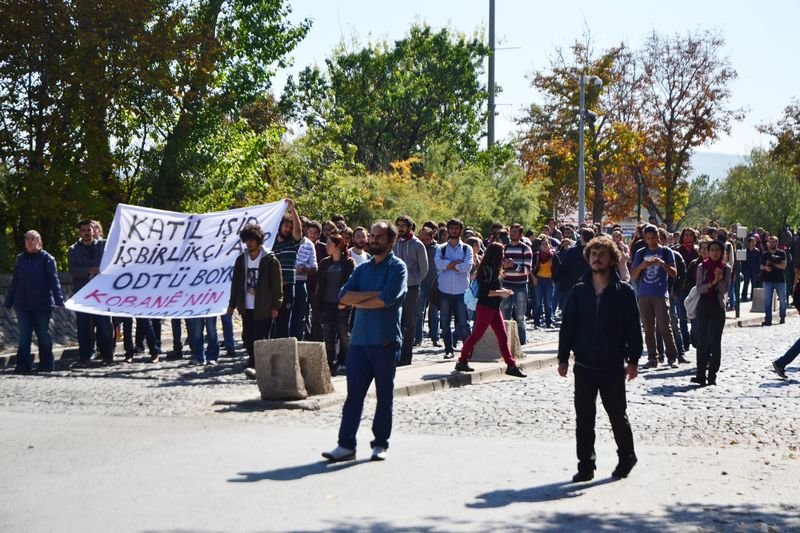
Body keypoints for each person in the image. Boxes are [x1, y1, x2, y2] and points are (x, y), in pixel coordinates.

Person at [558, 235, 642, 482]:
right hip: (583, 365)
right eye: (593, 254)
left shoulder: (624, 292)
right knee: (584, 419)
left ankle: (627, 457)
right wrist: (563, 357)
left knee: (617, 415)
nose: (597, 258)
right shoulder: (579, 291)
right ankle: (586, 465)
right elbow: (568, 326)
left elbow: (633, 329)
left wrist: (633, 360)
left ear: (612, 259)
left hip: (612, 365)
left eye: (602, 254)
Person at [322, 221, 407, 463]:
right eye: (372, 235)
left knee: (384, 396)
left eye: (380, 236)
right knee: (353, 397)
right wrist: (373, 295)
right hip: (359, 342)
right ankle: (345, 445)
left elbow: (386, 300)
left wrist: (358, 300)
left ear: (391, 241)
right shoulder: (362, 269)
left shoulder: (398, 268)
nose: (374, 240)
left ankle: (380, 443)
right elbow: (342, 296)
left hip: (385, 341)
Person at [454, 243, 526, 377]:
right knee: (476, 335)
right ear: (496, 254)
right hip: (485, 307)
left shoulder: (494, 268)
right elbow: (486, 292)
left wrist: (503, 291)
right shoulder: (486, 269)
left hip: (493, 307)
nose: (503, 255)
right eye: (502, 253)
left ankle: (511, 365)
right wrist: (502, 292)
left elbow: (494, 288)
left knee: (502, 336)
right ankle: (462, 360)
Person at [227, 224, 283, 379]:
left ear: (258, 240)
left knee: (260, 337)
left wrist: (276, 305)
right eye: (246, 240)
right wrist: (232, 304)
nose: (249, 243)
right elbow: (236, 283)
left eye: (252, 240)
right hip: (246, 306)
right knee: (247, 337)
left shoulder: (270, 260)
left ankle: (256, 365)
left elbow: (277, 285)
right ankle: (253, 361)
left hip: (264, 306)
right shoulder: (241, 260)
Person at [4, 231, 65, 373]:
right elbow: (15, 281)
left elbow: (54, 281)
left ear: (39, 241)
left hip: (41, 304)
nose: (30, 242)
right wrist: (9, 301)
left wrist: (59, 300)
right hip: (22, 303)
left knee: (43, 335)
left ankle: (46, 364)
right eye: (27, 239)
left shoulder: (47, 259)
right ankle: (23, 365)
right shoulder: (20, 259)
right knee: (24, 336)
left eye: (33, 239)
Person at [68, 219, 115, 366]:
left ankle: (107, 356)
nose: (86, 233)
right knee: (83, 327)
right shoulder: (73, 249)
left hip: (101, 294)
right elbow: (72, 270)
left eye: (89, 230)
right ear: (80, 233)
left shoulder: (104, 246)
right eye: (83, 231)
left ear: (94, 230)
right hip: (82, 294)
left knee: (104, 326)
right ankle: (84, 357)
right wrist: (89, 270)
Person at [631, 224, 679, 368]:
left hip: (660, 294)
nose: (651, 241)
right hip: (644, 294)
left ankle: (672, 356)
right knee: (648, 328)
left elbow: (674, 273)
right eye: (648, 238)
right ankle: (652, 357)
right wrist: (642, 266)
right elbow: (633, 275)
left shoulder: (666, 252)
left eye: (653, 238)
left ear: (658, 236)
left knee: (664, 327)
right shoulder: (640, 253)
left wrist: (663, 264)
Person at [691, 240, 732, 386]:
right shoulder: (702, 267)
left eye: (717, 250)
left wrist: (719, 280)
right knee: (701, 341)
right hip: (704, 305)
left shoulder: (726, 268)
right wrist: (712, 282)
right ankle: (700, 374)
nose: (715, 253)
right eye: (712, 250)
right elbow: (699, 288)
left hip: (717, 306)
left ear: (722, 253)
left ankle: (712, 374)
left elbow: (725, 289)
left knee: (715, 342)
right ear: (708, 252)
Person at [314, 234, 355, 375]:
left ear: (338, 246)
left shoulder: (348, 262)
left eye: (330, 244)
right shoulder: (324, 263)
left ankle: (345, 362)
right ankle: (330, 364)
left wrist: (345, 301)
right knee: (328, 335)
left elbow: (350, 283)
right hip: (326, 303)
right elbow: (320, 284)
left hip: (342, 304)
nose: (327, 246)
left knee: (343, 335)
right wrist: (317, 304)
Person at [434, 219, 473, 359]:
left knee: (464, 323)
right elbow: (438, 264)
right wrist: (456, 264)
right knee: (444, 323)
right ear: (448, 230)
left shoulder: (466, 249)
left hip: (461, 291)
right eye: (451, 228)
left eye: (456, 228)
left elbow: (467, 267)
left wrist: (448, 265)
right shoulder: (441, 248)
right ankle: (448, 349)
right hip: (444, 290)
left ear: (460, 230)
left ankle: (468, 350)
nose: (454, 231)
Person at [393, 215, 428, 366]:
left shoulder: (417, 245)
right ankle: (394, 354)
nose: (400, 228)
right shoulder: (393, 242)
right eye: (398, 225)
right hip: (394, 287)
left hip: (411, 288)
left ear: (409, 227)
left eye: (403, 225)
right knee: (394, 321)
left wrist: (413, 279)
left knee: (409, 322)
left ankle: (406, 357)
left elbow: (424, 269)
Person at [271, 199, 302, 338]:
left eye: (290, 227)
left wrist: (292, 210)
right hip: (271, 289)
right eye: (286, 226)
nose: (288, 229)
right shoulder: (271, 243)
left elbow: (298, 230)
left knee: (283, 323)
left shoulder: (293, 243)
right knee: (270, 323)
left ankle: (284, 350)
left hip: (287, 287)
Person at [501, 224, 533, 345]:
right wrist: (504, 266)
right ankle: (505, 341)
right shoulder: (504, 248)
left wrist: (514, 265)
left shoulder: (526, 249)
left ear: (520, 235)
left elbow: (527, 270)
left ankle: (521, 342)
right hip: (506, 285)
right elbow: (499, 268)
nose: (512, 234)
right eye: (511, 231)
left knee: (520, 316)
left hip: (520, 286)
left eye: (515, 232)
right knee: (505, 315)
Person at [761, 236, 787, 326]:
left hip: (780, 280)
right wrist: (765, 267)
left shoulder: (781, 253)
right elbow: (761, 266)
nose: (771, 244)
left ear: (776, 243)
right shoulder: (765, 254)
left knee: (783, 300)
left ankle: (782, 316)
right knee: (767, 301)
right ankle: (768, 319)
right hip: (768, 280)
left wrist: (772, 263)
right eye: (770, 242)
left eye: (773, 242)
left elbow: (783, 266)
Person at [531, 235, 555, 329]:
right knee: (537, 302)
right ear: (540, 246)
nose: (545, 246)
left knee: (548, 303)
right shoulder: (536, 255)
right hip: (539, 280)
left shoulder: (553, 256)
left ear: (549, 245)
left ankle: (549, 322)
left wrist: (554, 280)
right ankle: (536, 322)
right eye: (543, 244)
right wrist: (533, 278)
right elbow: (530, 267)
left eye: (546, 244)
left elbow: (558, 269)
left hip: (549, 280)